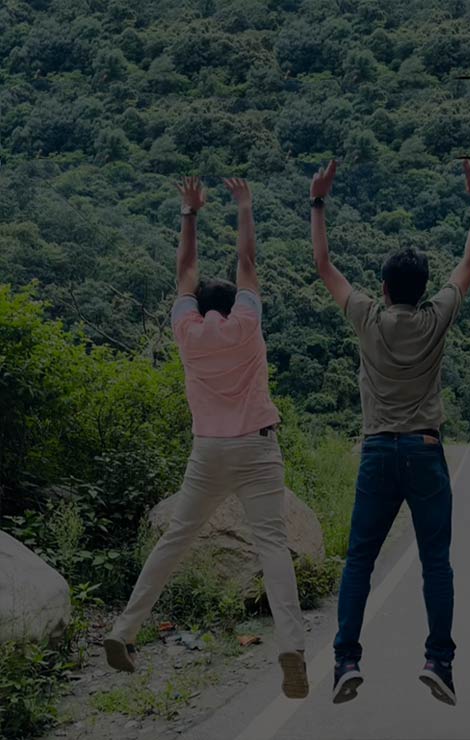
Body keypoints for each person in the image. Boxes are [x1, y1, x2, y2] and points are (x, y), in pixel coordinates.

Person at [103, 177, 308, 700]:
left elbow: (184, 273)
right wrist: (244, 206)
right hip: (258, 448)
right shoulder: (247, 325)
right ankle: (290, 645)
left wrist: (189, 213)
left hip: (208, 451)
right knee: (272, 545)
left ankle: (123, 631)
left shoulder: (187, 333)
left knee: (175, 539)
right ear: (236, 304)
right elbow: (248, 265)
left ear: (196, 309)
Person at [310, 159, 470, 706]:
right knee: (437, 560)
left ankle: (345, 661)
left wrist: (318, 202)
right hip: (426, 450)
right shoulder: (437, 317)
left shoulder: (366, 316)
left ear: (383, 288)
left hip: (376, 452)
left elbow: (323, 264)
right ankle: (439, 661)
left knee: (360, 558)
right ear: (422, 289)